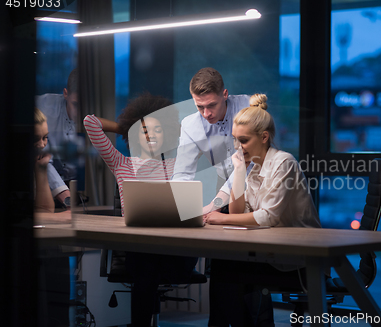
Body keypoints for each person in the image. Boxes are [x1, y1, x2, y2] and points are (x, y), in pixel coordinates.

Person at [204, 94, 321, 326]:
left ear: (264, 137)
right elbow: (239, 212)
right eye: (235, 141)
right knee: (223, 264)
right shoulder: (255, 167)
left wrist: (219, 219)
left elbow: (267, 216)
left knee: (228, 268)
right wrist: (239, 171)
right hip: (273, 254)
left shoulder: (284, 162)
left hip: (302, 262)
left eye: (244, 141)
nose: (238, 147)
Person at [83, 92, 198, 326]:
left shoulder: (178, 165)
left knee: (149, 269)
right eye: (145, 130)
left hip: (174, 247)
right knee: (146, 266)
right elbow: (90, 123)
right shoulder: (122, 163)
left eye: (158, 130)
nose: (152, 135)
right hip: (140, 248)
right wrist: (127, 127)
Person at [172, 67, 250, 211]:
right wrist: (181, 210)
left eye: (212, 105)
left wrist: (214, 205)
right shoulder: (190, 125)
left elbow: (249, 165)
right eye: (200, 107)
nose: (206, 114)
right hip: (223, 186)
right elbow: (183, 173)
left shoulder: (248, 108)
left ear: (225, 94)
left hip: (255, 184)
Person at [36, 68, 79, 209]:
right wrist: (66, 196)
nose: (80, 112)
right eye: (76, 104)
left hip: (74, 190)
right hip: (42, 187)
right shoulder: (42, 106)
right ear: (65, 93)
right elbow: (42, 157)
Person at [34, 108, 54, 213]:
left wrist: (41, 168)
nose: (42, 145)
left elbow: (46, 212)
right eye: (35, 139)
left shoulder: (38, 161)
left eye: (45, 137)